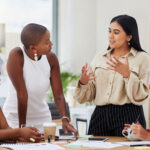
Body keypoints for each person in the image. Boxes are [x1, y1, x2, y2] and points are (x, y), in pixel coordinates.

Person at [75, 15, 150, 136]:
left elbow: (142, 95)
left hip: (129, 115)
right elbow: (86, 96)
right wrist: (83, 83)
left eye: (116, 32)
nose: (110, 36)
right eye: (109, 31)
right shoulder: (100, 57)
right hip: (100, 116)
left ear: (129, 36)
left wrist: (128, 75)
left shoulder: (142, 58)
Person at [3, 23, 77, 137]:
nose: (51, 44)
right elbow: (22, 94)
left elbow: (58, 94)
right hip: (15, 121)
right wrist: (22, 128)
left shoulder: (51, 58)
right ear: (33, 48)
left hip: (43, 121)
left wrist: (65, 119)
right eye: (47, 42)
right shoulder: (16, 55)